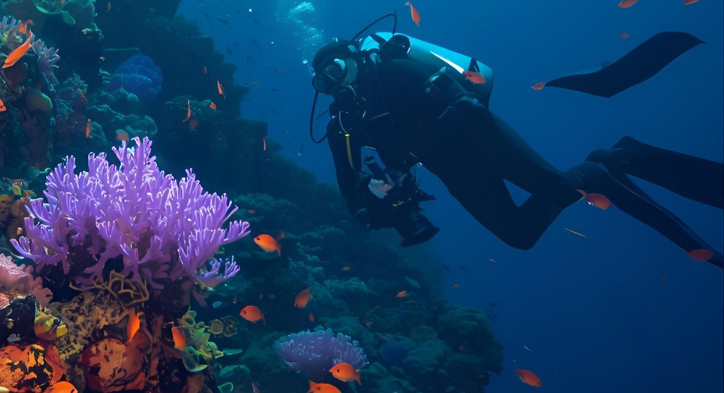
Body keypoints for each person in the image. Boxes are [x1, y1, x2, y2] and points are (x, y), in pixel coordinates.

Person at [310, 15, 723, 267]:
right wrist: (371, 209)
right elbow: (348, 184)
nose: (332, 83)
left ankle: (601, 164)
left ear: (354, 59)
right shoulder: (344, 124)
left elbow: (466, 106)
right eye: (322, 80)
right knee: (518, 237)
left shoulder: (396, 71)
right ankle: (597, 169)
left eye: (335, 69)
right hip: (455, 170)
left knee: (561, 190)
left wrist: (410, 158)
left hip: (485, 140)